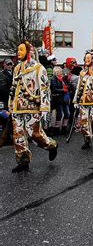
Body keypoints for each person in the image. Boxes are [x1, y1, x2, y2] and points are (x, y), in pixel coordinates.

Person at [8, 41, 58, 172]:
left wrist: (45, 107)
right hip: (17, 108)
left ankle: (51, 146)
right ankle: (23, 161)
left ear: (28, 51)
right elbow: (14, 87)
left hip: (33, 106)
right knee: (17, 135)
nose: (18, 52)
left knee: (35, 134)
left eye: (21, 50)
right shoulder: (17, 68)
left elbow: (44, 89)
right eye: (18, 50)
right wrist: (10, 103)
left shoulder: (38, 68)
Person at [50, 66, 70, 135]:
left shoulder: (63, 79)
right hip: (58, 99)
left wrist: (67, 87)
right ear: (56, 72)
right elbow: (54, 89)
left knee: (67, 114)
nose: (61, 72)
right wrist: (63, 90)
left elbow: (67, 85)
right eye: (60, 71)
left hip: (64, 98)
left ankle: (64, 127)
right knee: (59, 114)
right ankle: (56, 128)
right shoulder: (53, 79)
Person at [0, 59, 14, 146]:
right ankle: (6, 138)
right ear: (4, 65)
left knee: (11, 118)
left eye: (11, 64)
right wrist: (11, 92)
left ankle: (10, 136)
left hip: (11, 100)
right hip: (4, 99)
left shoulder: (14, 73)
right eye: (8, 64)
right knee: (6, 118)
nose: (9, 66)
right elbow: (2, 88)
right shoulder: (2, 74)